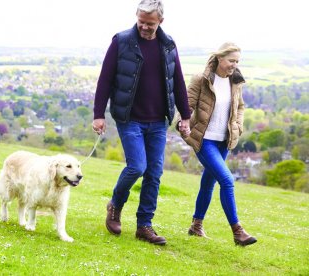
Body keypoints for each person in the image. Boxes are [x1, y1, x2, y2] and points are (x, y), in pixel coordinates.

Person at [92, 0, 191, 245]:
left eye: (150, 23)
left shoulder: (168, 45)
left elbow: (177, 81)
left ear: (160, 21)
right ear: (136, 17)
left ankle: (144, 226)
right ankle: (115, 205)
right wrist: (98, 114)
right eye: (141, 22)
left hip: (158, 120)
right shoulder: (121, 41)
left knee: (154, 173)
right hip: (129, 117)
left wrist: (185, 115)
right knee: (137, 166)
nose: (145, 27)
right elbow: (105, 79)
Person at [178, 42, 257, 246]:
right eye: (231, 60)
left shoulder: (236, 81)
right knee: (227, 181)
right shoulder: (202, 79)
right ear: (220, 58)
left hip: (224, 141)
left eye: (237, 61)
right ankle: (238, 231)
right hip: (204, 140)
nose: (234, 65)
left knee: (208, 183)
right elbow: (186, 105)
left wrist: (238, 126)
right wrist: (182, 122)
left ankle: (196, 225)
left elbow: (240, 107)